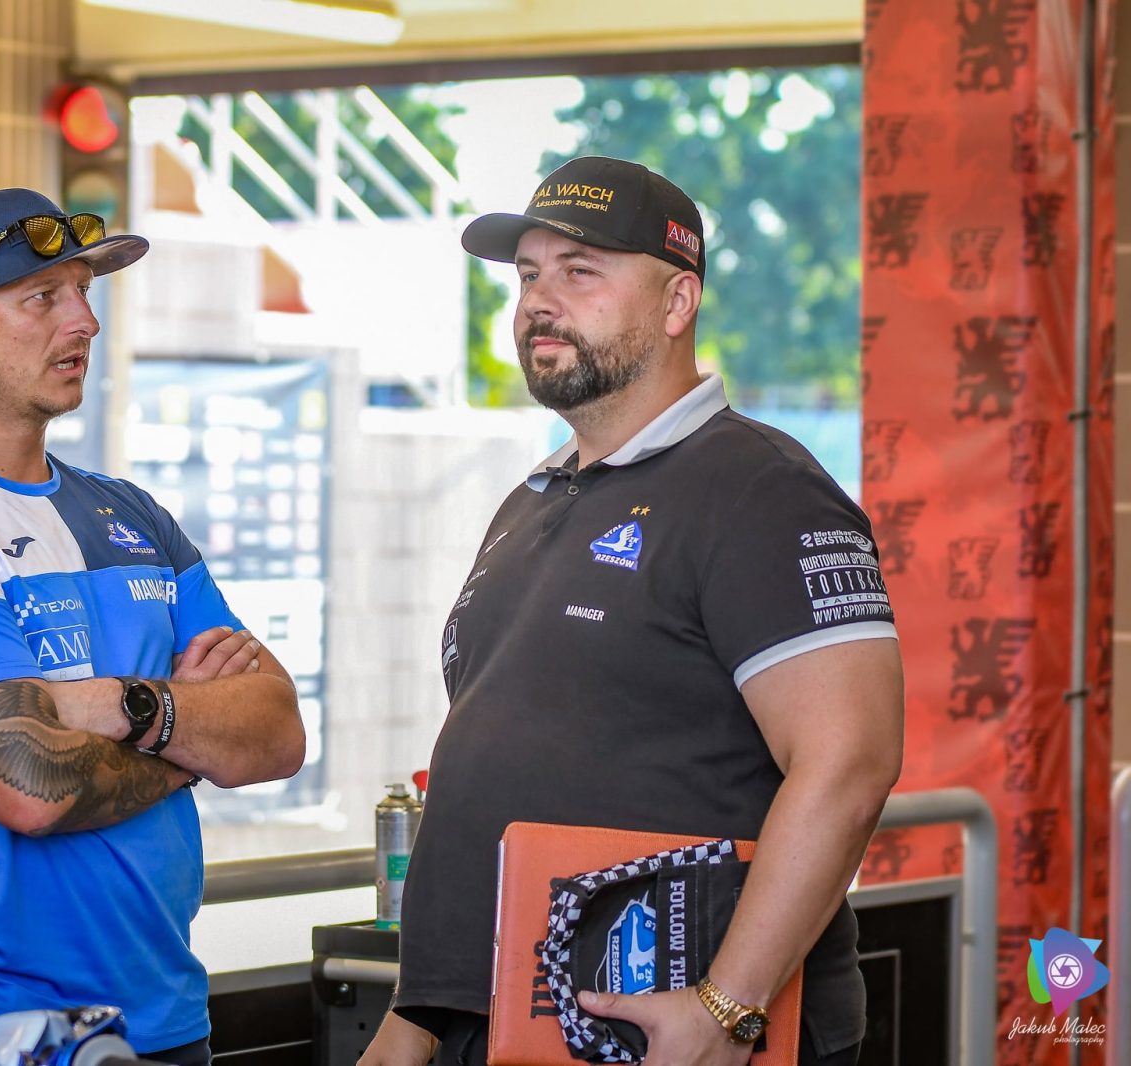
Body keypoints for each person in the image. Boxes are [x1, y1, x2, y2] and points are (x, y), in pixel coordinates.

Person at [361, 157, 904, 1066]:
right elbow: (494, 772)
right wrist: (415, 1020)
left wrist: (727, 1009)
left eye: (581, 271)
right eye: (529, 275)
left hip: (668, 1028)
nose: (540, 301)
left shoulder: (761, 489)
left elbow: (851, 763)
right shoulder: (535, 498)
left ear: (677, 300)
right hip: (499, 1020)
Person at [0, 189, 306, 1064]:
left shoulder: (133, 514)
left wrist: (119, 707)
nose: (83, 320)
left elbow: (276, 735)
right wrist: (192, 740)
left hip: (166, 1020)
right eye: (41, 296)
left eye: (83, 290)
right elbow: (31, 787)